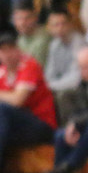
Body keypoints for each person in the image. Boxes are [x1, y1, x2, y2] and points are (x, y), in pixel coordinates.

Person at [0, 28, 57, 165]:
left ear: (19, 49)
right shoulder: (2, 71)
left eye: (11, 49)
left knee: (2, 110)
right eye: (3, 50)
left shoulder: (29, 65)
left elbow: (18, 100)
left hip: (41, 124)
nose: (7, 54)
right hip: (15, 127)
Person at [43, 9, 87, 96]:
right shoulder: (54, 45)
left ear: (70, 24)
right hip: (57, 87)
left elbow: (76, 79)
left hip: (78, 90)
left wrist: (48, 86)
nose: (60, 28)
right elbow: (49, 74)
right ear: (49, 28)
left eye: (63, 24)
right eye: (56, 25)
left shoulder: (79, 43)